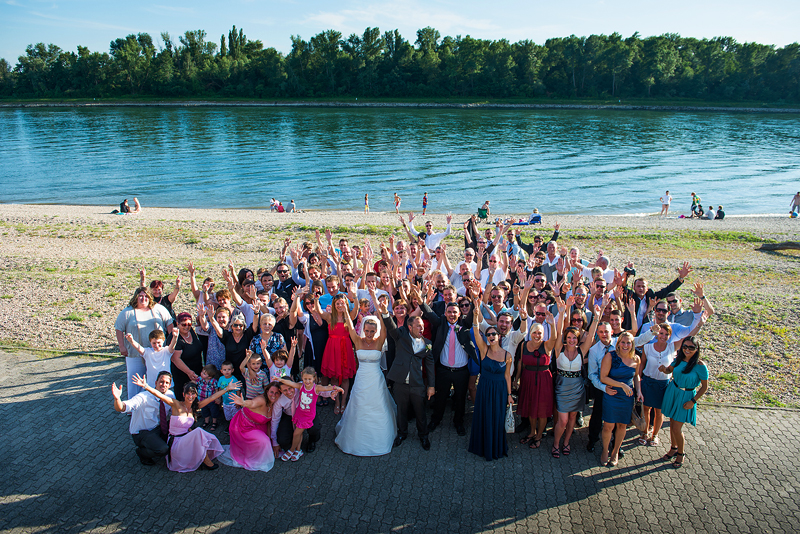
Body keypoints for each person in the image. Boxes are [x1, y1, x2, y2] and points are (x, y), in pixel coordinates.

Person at [131, 373, 238, 471]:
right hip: (176, 443)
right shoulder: (176, 404)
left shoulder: (196, 406)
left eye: (193, 394)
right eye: (188, 394)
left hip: (186, 440)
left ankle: (204, 459)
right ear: (183, 394)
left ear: (196, 395)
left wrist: (227, 388)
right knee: (199, 432)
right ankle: (206, 462)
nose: (190, 396)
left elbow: (212, 397)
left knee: (199, 433)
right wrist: (145, 386)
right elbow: (159, 395)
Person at [335, 313, 397, 456]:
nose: (369, 334)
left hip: (376, 380)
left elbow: (384, 328)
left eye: (372, 331)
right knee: (359, 404)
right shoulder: (357, 340)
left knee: (378, 405)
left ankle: (380, 437)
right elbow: (350, 327)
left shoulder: (379, 341)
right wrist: (345, 311)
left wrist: (381, 310)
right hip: (361, 379)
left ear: (376, 331)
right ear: (363, 329)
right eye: (367, 330)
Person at [380, 299, 436, 451]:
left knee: (420, 412)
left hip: (417, 384)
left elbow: (430, 366)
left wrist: (431, 386)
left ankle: (423, 435)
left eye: (422, 326)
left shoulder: (428, 343)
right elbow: (391, 328)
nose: (421, 328)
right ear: (410, 327)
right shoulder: (402, 336)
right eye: (418, 326)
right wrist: (385, 313)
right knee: (401, 411)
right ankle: (402, 433)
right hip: (400, 382)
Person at [420, 299, 478, 437]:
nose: (452, 315)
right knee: (440, 397)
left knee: (460, 399)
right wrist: (421, 301)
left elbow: (472, 314)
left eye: (455, 312)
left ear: (459, 314)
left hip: (461, 371)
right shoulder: (441, 323)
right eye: (449, 312)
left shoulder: (465, 324)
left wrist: (475, 300)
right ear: (445, 313)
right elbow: (429, 313)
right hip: (443, 370)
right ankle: (436, 420)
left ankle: (459, 422)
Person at [468, 296, 513, 461]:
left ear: (499, 336)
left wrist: (509, 395)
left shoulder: (507, 355)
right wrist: (475, 314)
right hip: (485, 388)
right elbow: (475, 331)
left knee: (497, 418)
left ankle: (495, 446)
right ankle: (482, 446)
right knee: (484, 416)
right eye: (488, 334)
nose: (491, 336)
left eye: (494, 333)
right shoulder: (484, 350)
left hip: (500, 390)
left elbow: (507, 375)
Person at [115, 287, 174, 401]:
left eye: (146, 296)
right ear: (136, 297)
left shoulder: (158, 308)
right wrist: (122, 346)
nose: (143, 298)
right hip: (135, 353)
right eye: (140, 296)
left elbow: (169, 323)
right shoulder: (127, 312)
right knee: (135, 380)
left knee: (157, 380)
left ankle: (159, 404)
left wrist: (170, 343)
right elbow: (119, 328)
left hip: (157, 353)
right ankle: (134, 405)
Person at [659, 336, 709, 468]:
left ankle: (681, 453)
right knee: (672, 424)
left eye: (691, 347)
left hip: (686, 396)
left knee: (677, 428)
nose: (687, 350)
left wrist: (693, 401)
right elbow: (669, 370)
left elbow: (704, 387)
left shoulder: (700, 366)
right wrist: (664, 369)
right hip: (673, 391)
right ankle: (673, 448)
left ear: (697, 349)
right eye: (685, 346)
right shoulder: (679, 359)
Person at [111, 370, 174, 465]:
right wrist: (117, 399)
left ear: (169, 385)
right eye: (161, 382)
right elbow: (122, 408)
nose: (163, 385)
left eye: (167, 383)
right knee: (163, 449)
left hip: (158, 428)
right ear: (156, 383)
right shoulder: (142, 397)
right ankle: (142, 453)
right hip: (143, 433)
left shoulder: (170, 395)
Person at [278, 369, 343, 462]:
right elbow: (291, 383)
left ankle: (291, 450)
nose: (307, 381)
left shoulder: (316, 388)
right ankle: (298, 450)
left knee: (296, 433)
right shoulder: (301, 386)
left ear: (314, 378)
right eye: (305, 379)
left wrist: (336, 388)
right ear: (302, 378)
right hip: (299, 413)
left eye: (309, 379)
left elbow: (325, 388)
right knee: (298, 433)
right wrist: (280, 379)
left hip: (307, 416)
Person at [217, 381, 282, 472]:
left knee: (269, 440)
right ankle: (254, 458)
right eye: (271, 392)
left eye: (277, 393)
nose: (273, 395)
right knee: (264, 441)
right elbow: (252, 403)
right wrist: (243, 402)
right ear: (267, 391)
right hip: (242, 426)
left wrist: (271, 439)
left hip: (258, 424)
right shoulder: (261, 400)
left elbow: (269, 423)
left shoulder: (276, 403)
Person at [515, 311, 557, 451]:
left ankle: (539, 435)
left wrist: (552, 325)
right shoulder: (524, 345)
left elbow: (554, 338)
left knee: (542, 409)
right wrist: (517, 379)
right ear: (530, 333)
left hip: (544, 380)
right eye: (534, 333)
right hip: (528, 378)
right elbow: (521, 363)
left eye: (539, 333)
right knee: (530, 406)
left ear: (543, 335)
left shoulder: (547, 345)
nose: (537, 335)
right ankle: (532, 432)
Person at [600, 332, 642, 467]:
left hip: (627, 397)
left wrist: (639, 391)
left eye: (628, 342)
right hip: (612, 395)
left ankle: (615, 452)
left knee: (622, 425)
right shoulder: (610, 356)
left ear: (632, 344)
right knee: (608, 426)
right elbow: (603, 377)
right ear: (618, 344)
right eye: (623, 342)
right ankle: (605, 450)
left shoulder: (636, 359)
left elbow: (636, 376)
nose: (625, 345)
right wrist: (622, 385)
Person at [317, 293, 358, 415]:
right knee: (334, 377)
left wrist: (355, 298)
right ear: (334, 305)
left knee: (345, 377)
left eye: (342, 303)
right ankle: (337, 402)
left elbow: (356, 309)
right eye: (337, 303)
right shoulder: (330, 317)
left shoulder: (349, 316)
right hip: (332, 348)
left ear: (346, 304)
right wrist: (316, 300)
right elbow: (319, 312)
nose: (340, 305)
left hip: (345, 347)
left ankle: (344, 401)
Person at [169, 311, 204, 401]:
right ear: (177, 324)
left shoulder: (190, 331)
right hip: (182, 373)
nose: (187, 327)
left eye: (189, 324)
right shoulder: (175, 337)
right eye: (183, 324)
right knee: (184, 398)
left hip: (196, 370)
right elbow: (175, 358)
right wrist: (189, 372)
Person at [196, 365, 220, 431]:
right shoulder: (199, 379)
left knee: (214, 411)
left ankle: (214, 422)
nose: (201, 373)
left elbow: (216, 389)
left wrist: (217, 398)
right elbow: (195, 383)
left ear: (209, 377)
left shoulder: (213, 381)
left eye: (204, 373)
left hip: (212, 401)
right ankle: (206, 421)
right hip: (202, 400)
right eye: (202, 372)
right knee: (204, 411)